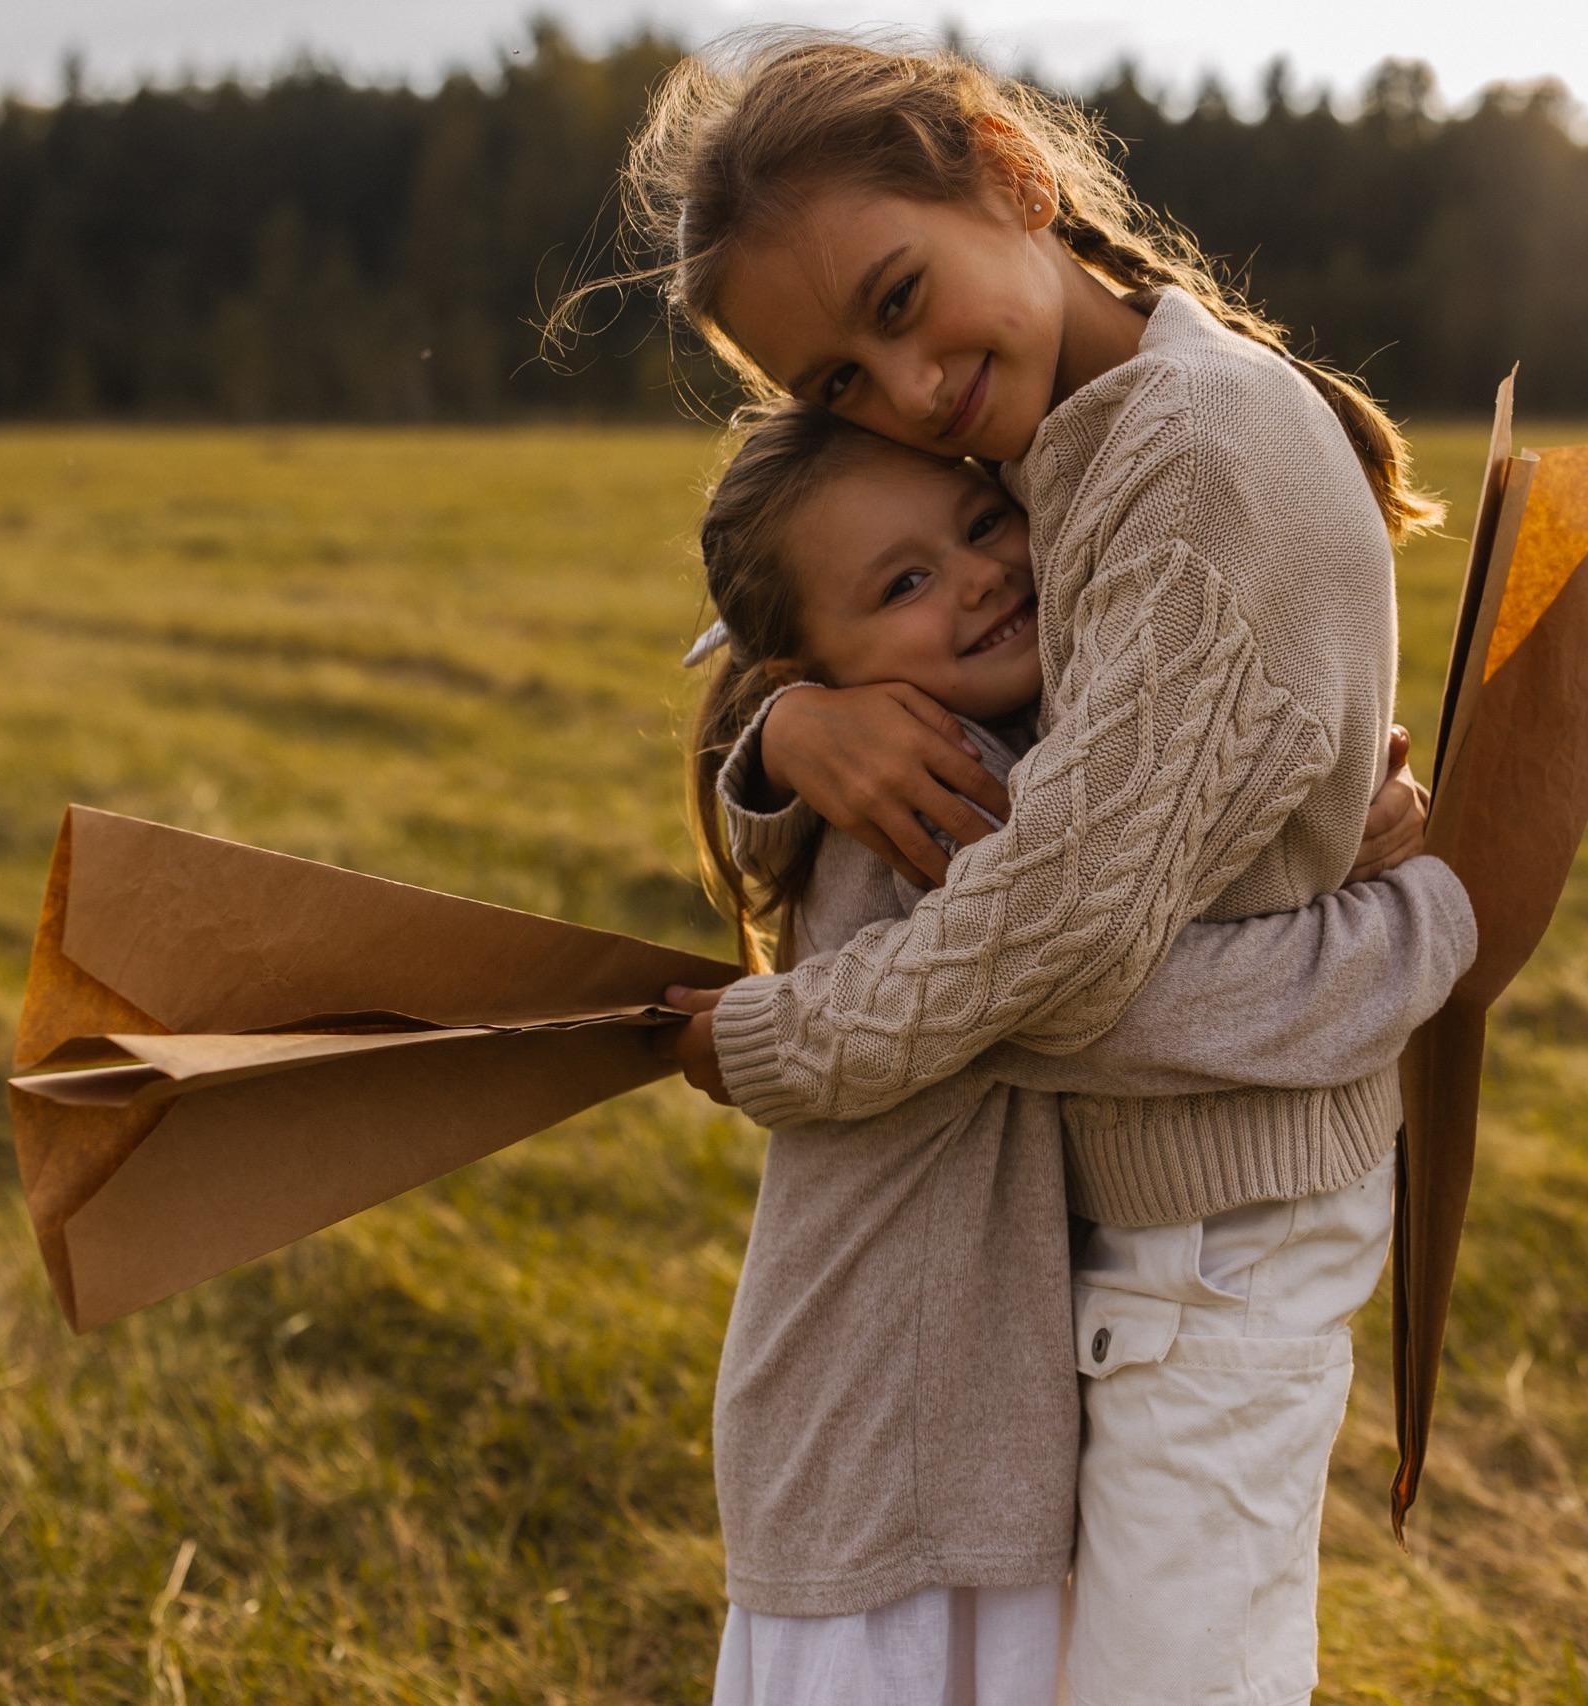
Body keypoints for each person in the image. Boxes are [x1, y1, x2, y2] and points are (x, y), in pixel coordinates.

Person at [573, 33, 1456, 1705]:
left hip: (1226, 1221)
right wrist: (793, 728)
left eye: (898, 302)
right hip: (1133, 1219)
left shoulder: (1185, 458)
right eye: (835, 382)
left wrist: (772, 1041)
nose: (901, 393)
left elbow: (1049, 934)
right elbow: (856, 620)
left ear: (1011, 172)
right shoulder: (1058, 438)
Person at [672, 399, 1474, 1705]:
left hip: (940, 1433)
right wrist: (1420, 913)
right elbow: (1147, 1005)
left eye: (984, 520)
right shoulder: (932, 805)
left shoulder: (975, 757)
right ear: (810, 663)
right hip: (892, 1444)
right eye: (905, 581)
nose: (983, 575)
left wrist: (1319, 828)